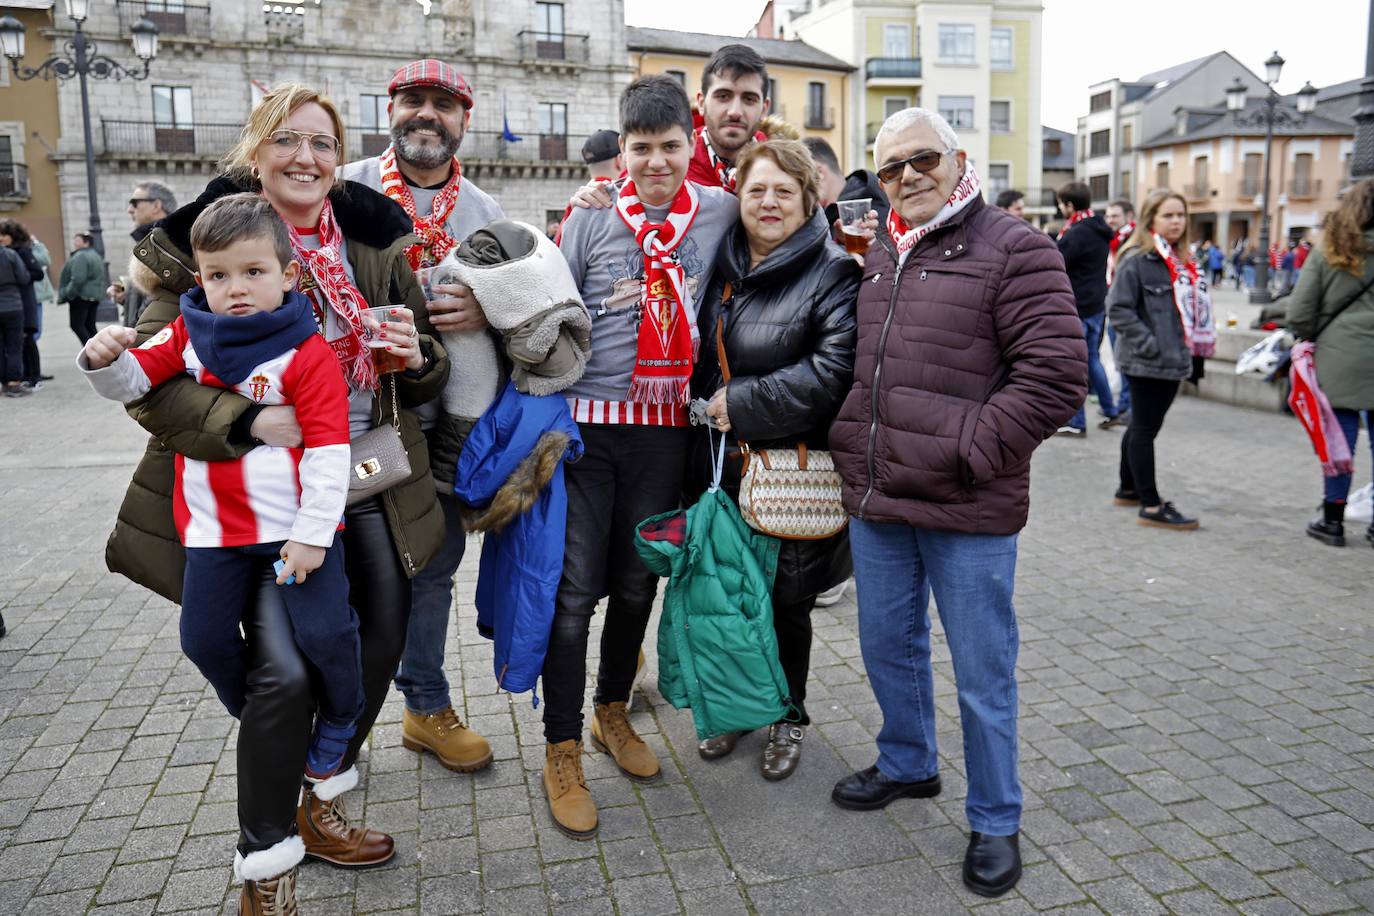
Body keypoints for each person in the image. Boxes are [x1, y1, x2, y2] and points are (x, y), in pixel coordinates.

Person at [106, 82, 450, 912]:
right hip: (258, 503)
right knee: (283, 677)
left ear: (341, 158)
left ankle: (317, 802)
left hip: (373, 478)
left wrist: (415, 352)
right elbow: (149, 384)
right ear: (254, 154)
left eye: (323, 144)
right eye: (286, 141)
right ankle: (267, 862)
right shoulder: (202, 245)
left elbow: (428, 357)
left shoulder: (374, 241)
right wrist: (254, 421)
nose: (306, 158)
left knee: (371, 658)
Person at [828, 107, 1086, 899]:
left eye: (923, 159)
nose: (908, 176)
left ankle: (997, 818)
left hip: (967, 503)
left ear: (958, 159)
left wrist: (970, 451)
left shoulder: (1017, 247)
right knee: (885, 646)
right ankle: (909, 764)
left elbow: (1055, 377)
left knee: (982, 670)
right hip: (881, 497)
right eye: (891, 167)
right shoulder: (877, 252)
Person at [79, 192, 363, 782]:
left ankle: (341, 715)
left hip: (296, 533)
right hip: (213, 534)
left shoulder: (307, 354)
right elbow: (134, 382)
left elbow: (331, 455)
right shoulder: (189, 331)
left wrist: (313, 537)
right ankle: (266, 717)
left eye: (253, 272)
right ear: (201, 278)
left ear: (287, 275)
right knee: (203, 641)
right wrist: (104, 359)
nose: (235, 288)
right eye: (217, 275)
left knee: (328, 633)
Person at [546, 74, 738, 839]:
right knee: (572, 596)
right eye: (640, 149)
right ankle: (561, 747)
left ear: (690, 148)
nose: (655, 163)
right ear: (620, 151)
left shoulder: (717, 212)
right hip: (588, 434)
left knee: (634, 587)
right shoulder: (588, 220)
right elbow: (551, 321)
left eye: (668, 148)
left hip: (665, 431)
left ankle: (611, 712)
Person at [341, 58, 500, 775]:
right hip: (363, 423)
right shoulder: (344, 187)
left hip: (448, 430)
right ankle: (340, 719)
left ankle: (424, 705)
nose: (426, 114)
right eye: (413, 100)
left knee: (434, 566)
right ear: (390, 108)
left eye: (444, 103)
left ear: (465, 119)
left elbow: (524, 312)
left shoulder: (488, 213)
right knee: (352, 570)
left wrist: (485, 309)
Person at [686, 139, 858, 779]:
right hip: (718, 465)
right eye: (757, 189)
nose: (769, 202)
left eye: (784, 191)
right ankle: (736, 707)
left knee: (786, 604)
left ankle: (789, 714)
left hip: (790, 466)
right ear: (738, 194)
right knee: (728, 596)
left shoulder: (834, 271)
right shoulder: (717, 265)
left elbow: (833, 372)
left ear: (809, 200)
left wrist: (743, 402)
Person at [1107, 189, 1210, 530]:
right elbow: (1118, 310)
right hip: (1148, 360)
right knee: (1145, 430)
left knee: (1140, 424)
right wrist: (1150, 345)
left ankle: (1128, 488)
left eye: (1181, 215)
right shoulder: (1138, 259)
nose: (1177, 221)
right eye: (1168, 215)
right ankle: (1150, 506)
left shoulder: (1181, 261)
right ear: (1151, 219)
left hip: (1171, 358)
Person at [1287, 180, 1374, 548]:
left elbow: (1300, 313)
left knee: (1339, 442)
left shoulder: (1330, 251)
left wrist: (1310, 335)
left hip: (1339, 359)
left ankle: (1333, 520)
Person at [1055, 181, 1120, 436]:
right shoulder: (1099, 228)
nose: (1060, 208)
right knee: (1092, 360)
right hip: (1096, 304)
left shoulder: (1078, 232)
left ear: (1069, 205)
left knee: (1074, 365)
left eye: (1061, 204)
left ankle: (1076, 422)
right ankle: (1110, 410)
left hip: (1078, 306)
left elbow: (1055, 257)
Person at [689, 45, 771, 191]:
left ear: (764, 109)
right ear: (701, 103)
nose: (735, 112)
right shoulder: (671, 170)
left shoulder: (788, 172)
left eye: (749, 99)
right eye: (723, 96)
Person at [802, 135, 890, 229]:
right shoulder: (824, 216)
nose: (801, 193)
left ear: (819, 173)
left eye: (801, 181)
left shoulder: (871, 213)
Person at [0, 220, 46, 392]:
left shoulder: (23, 252)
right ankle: (23, 376)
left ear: (12, 236)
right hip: (14, 302)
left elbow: (37, 273)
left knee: (28, 339)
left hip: (24, 301)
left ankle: (35, 376)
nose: (1, 238)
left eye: (3, 235)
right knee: (19, 342)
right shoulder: (9, 253)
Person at [124, 181, 178, 324]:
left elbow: (165, 300)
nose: (130, 209)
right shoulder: (150, 241)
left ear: (156, 206)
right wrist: (126, 297)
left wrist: (134, 331)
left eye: (134, 203)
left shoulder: (170, 245)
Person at [1104, 199, 1135, 417]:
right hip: (1115, 304)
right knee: (1119, 357)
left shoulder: (1132, 240)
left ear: (1129, 216)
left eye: (1115, 215)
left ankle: (1128, 405)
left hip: (1127, 308)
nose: (1110, 220)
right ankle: (1124, 403)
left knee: (1125, 358)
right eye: (1108, 216)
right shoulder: (1115, 239)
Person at [0, 233, 32, 398]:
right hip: (12, 305)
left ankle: (3, 383)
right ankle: (14, 383)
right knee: (14, 346)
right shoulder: (10, 255)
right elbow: (24, 277)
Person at [58, 232, 105, 345]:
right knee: (89, 325)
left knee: (77, 325)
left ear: (86, 243)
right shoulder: (95, 255)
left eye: (78, 240)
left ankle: (90, 350)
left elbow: (78, 279)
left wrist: (68, 293)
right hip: (93, 296)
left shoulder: (81, 256)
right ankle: (99, 349)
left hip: (81, 296)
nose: (75, 242)